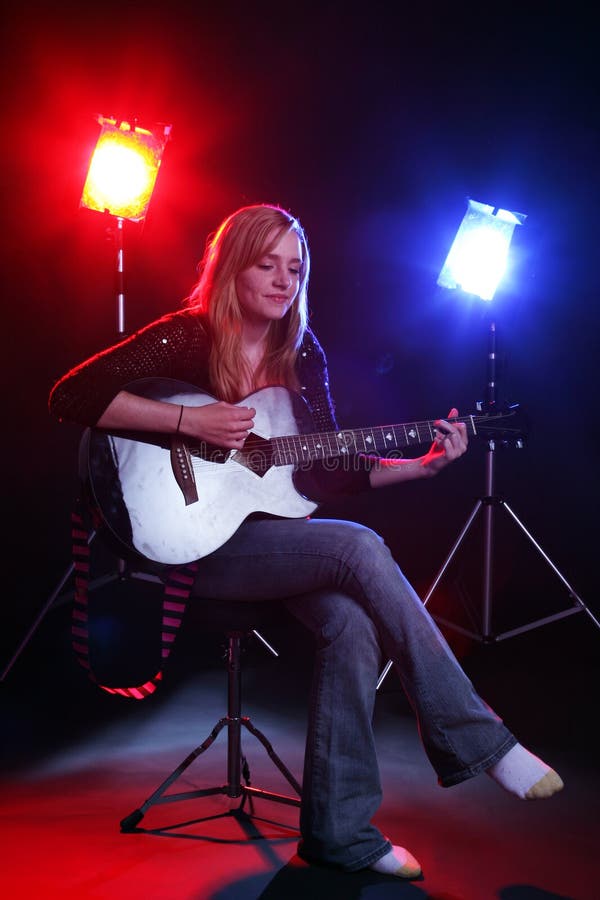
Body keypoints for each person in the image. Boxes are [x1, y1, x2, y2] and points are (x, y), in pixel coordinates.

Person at [49, 203, 563, 880]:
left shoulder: (304, 352)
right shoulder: (187, 336)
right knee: (357, 549)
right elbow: (71, 394)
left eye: (294, 267)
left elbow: (324, 475)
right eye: (266, 264)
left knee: (350, 621)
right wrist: (188, 422)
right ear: (234, 265)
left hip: (276, 550)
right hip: (193, 559)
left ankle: (338, 835)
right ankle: (479, 740)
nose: (282, 279)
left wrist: (421, 467)